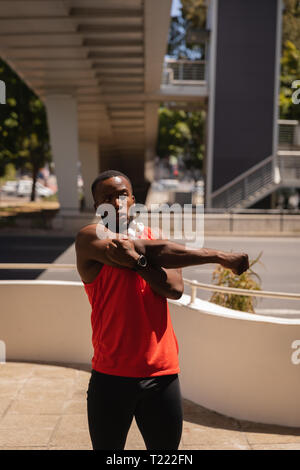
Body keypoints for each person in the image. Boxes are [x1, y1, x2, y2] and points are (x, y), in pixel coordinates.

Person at [75, 170, 249, 450]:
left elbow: (174, 290)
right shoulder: (89, 238)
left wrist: (139, 263)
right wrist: (217, 256)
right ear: (97, 207)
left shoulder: (157, 237)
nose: (116, 203)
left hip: (161, 375)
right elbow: (139, 250)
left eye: (121, 195)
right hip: (111, 376)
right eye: (107, 198)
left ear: (133, 199)